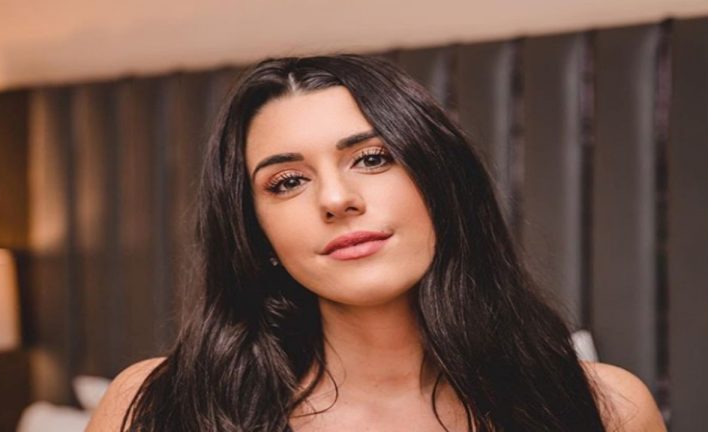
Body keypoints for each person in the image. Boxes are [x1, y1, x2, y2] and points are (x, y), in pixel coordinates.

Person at [87, 54, 666, 431]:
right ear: (256, 233)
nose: (336, 199)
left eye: (371, 158)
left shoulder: (604, 409)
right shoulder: (156, 407)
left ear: (441, 184)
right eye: (287, 182)